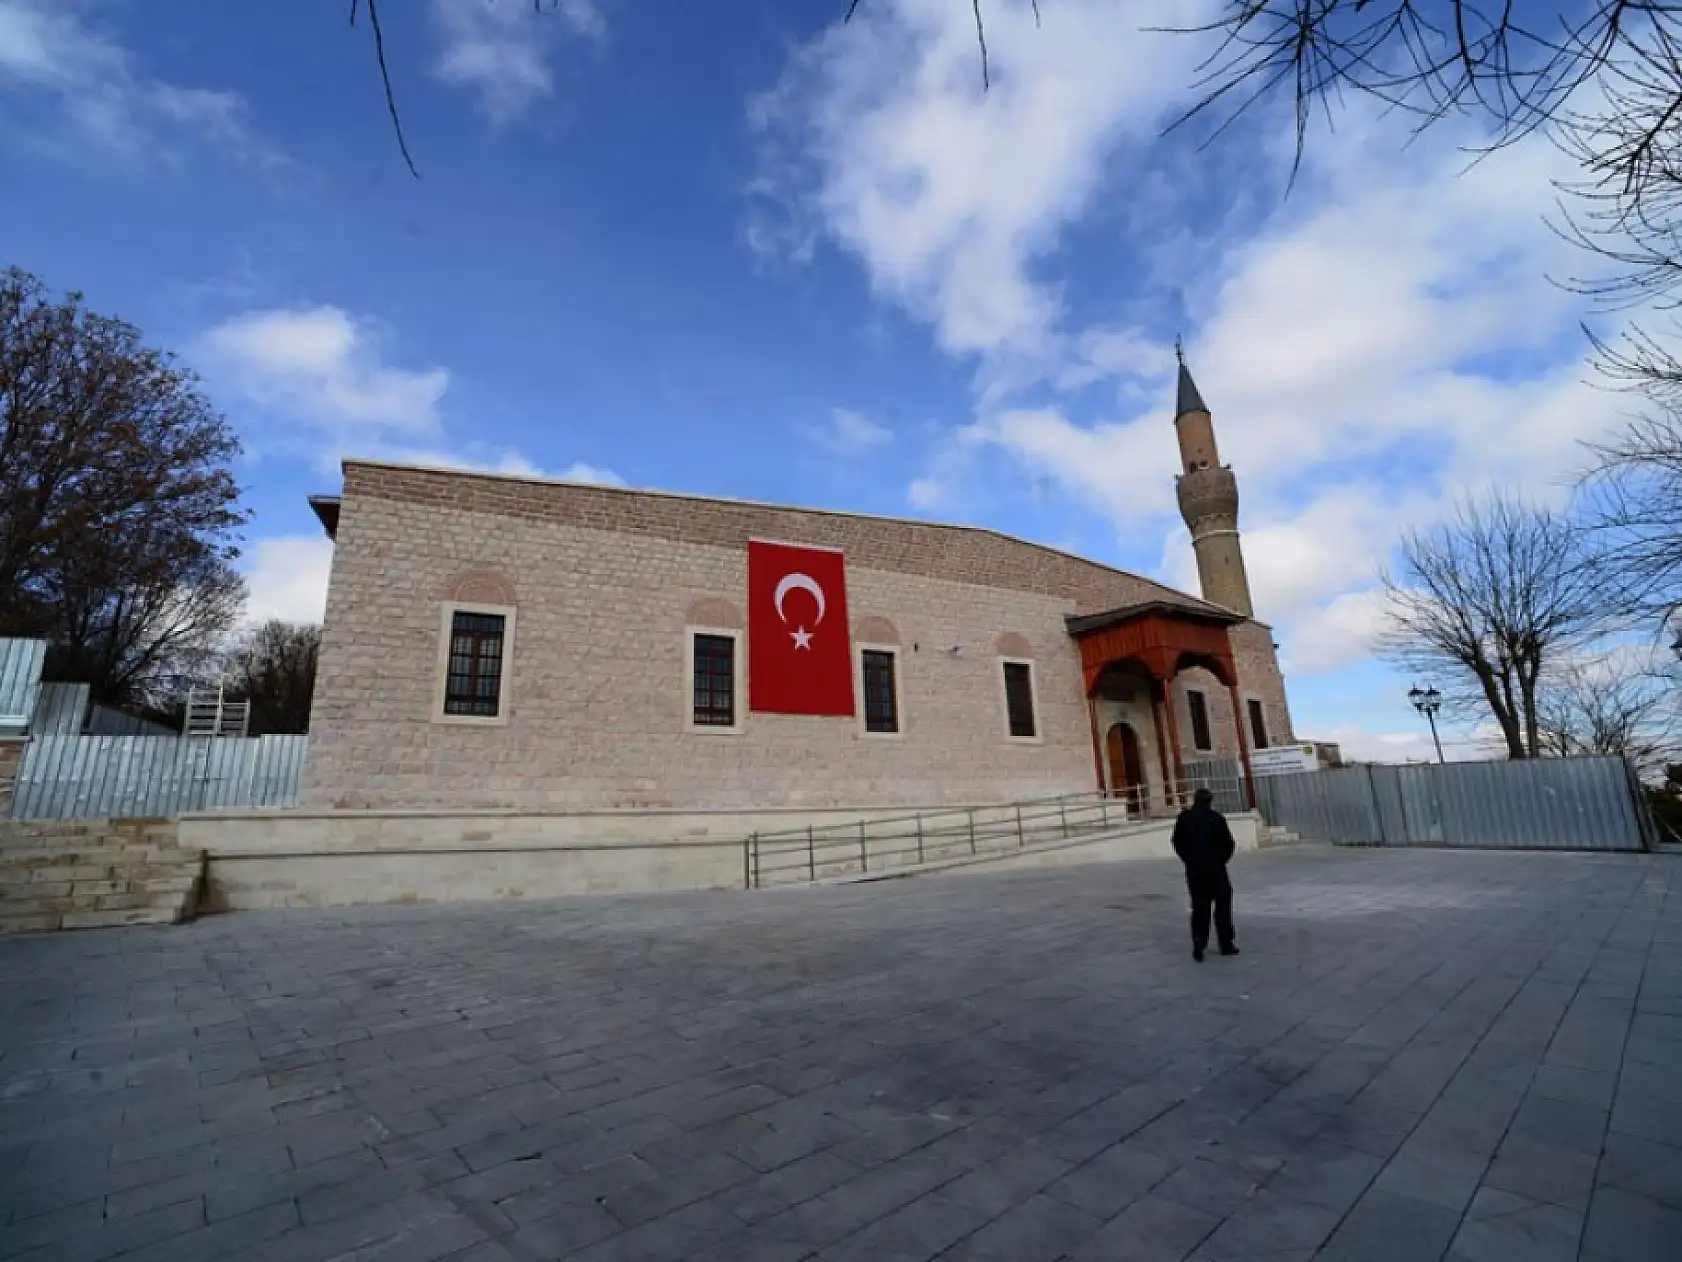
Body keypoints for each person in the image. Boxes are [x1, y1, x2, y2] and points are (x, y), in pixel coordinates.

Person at [1171, 787, 1239, 962]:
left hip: (1195, 871)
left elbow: (1177, 842)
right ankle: (1225, 943)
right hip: (1216, 870)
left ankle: (1199, 945)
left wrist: (1188, 859)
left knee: (1200, 907)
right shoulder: (1216, 819)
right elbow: (1228, 844)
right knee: (1222, 906)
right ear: (1210, 801)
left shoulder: (1184, 819)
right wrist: (1220, 860)